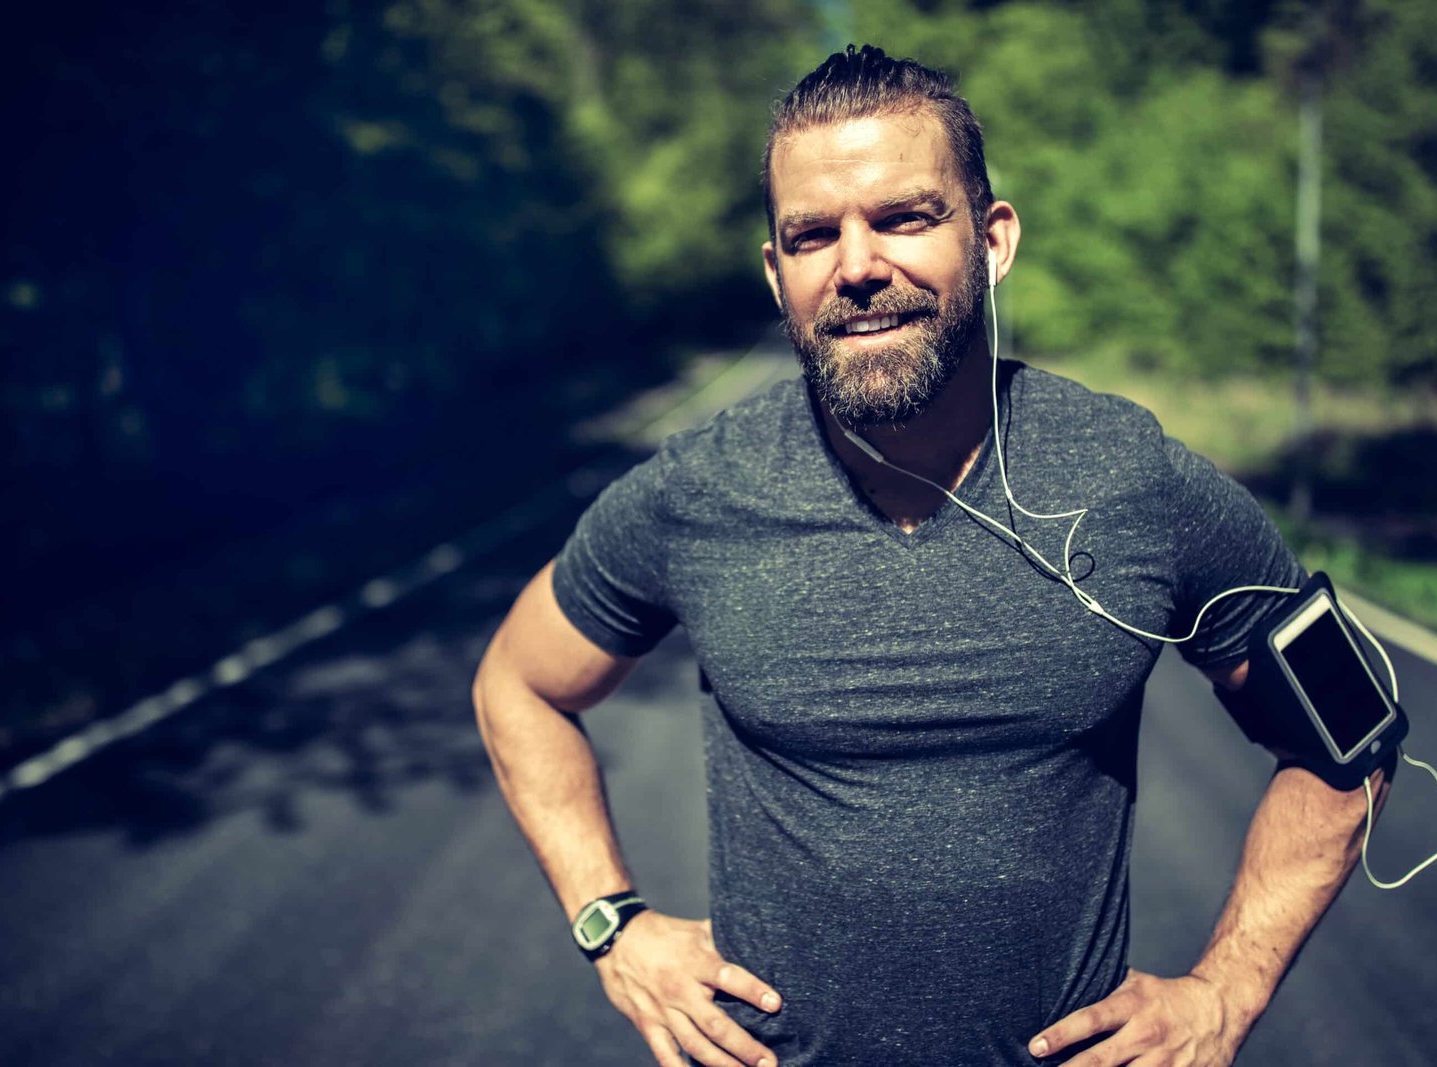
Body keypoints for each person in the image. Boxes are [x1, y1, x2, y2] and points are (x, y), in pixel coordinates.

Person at [474, 44, 1383, 1067]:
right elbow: (520, 683)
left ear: (992, 241)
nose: (857, 265)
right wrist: (613, 923)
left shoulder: (1136, 481)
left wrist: (1226, 989)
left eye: (905, 217)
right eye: (812, 235)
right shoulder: (695, 490)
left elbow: (1347, 739)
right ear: (778, 274)